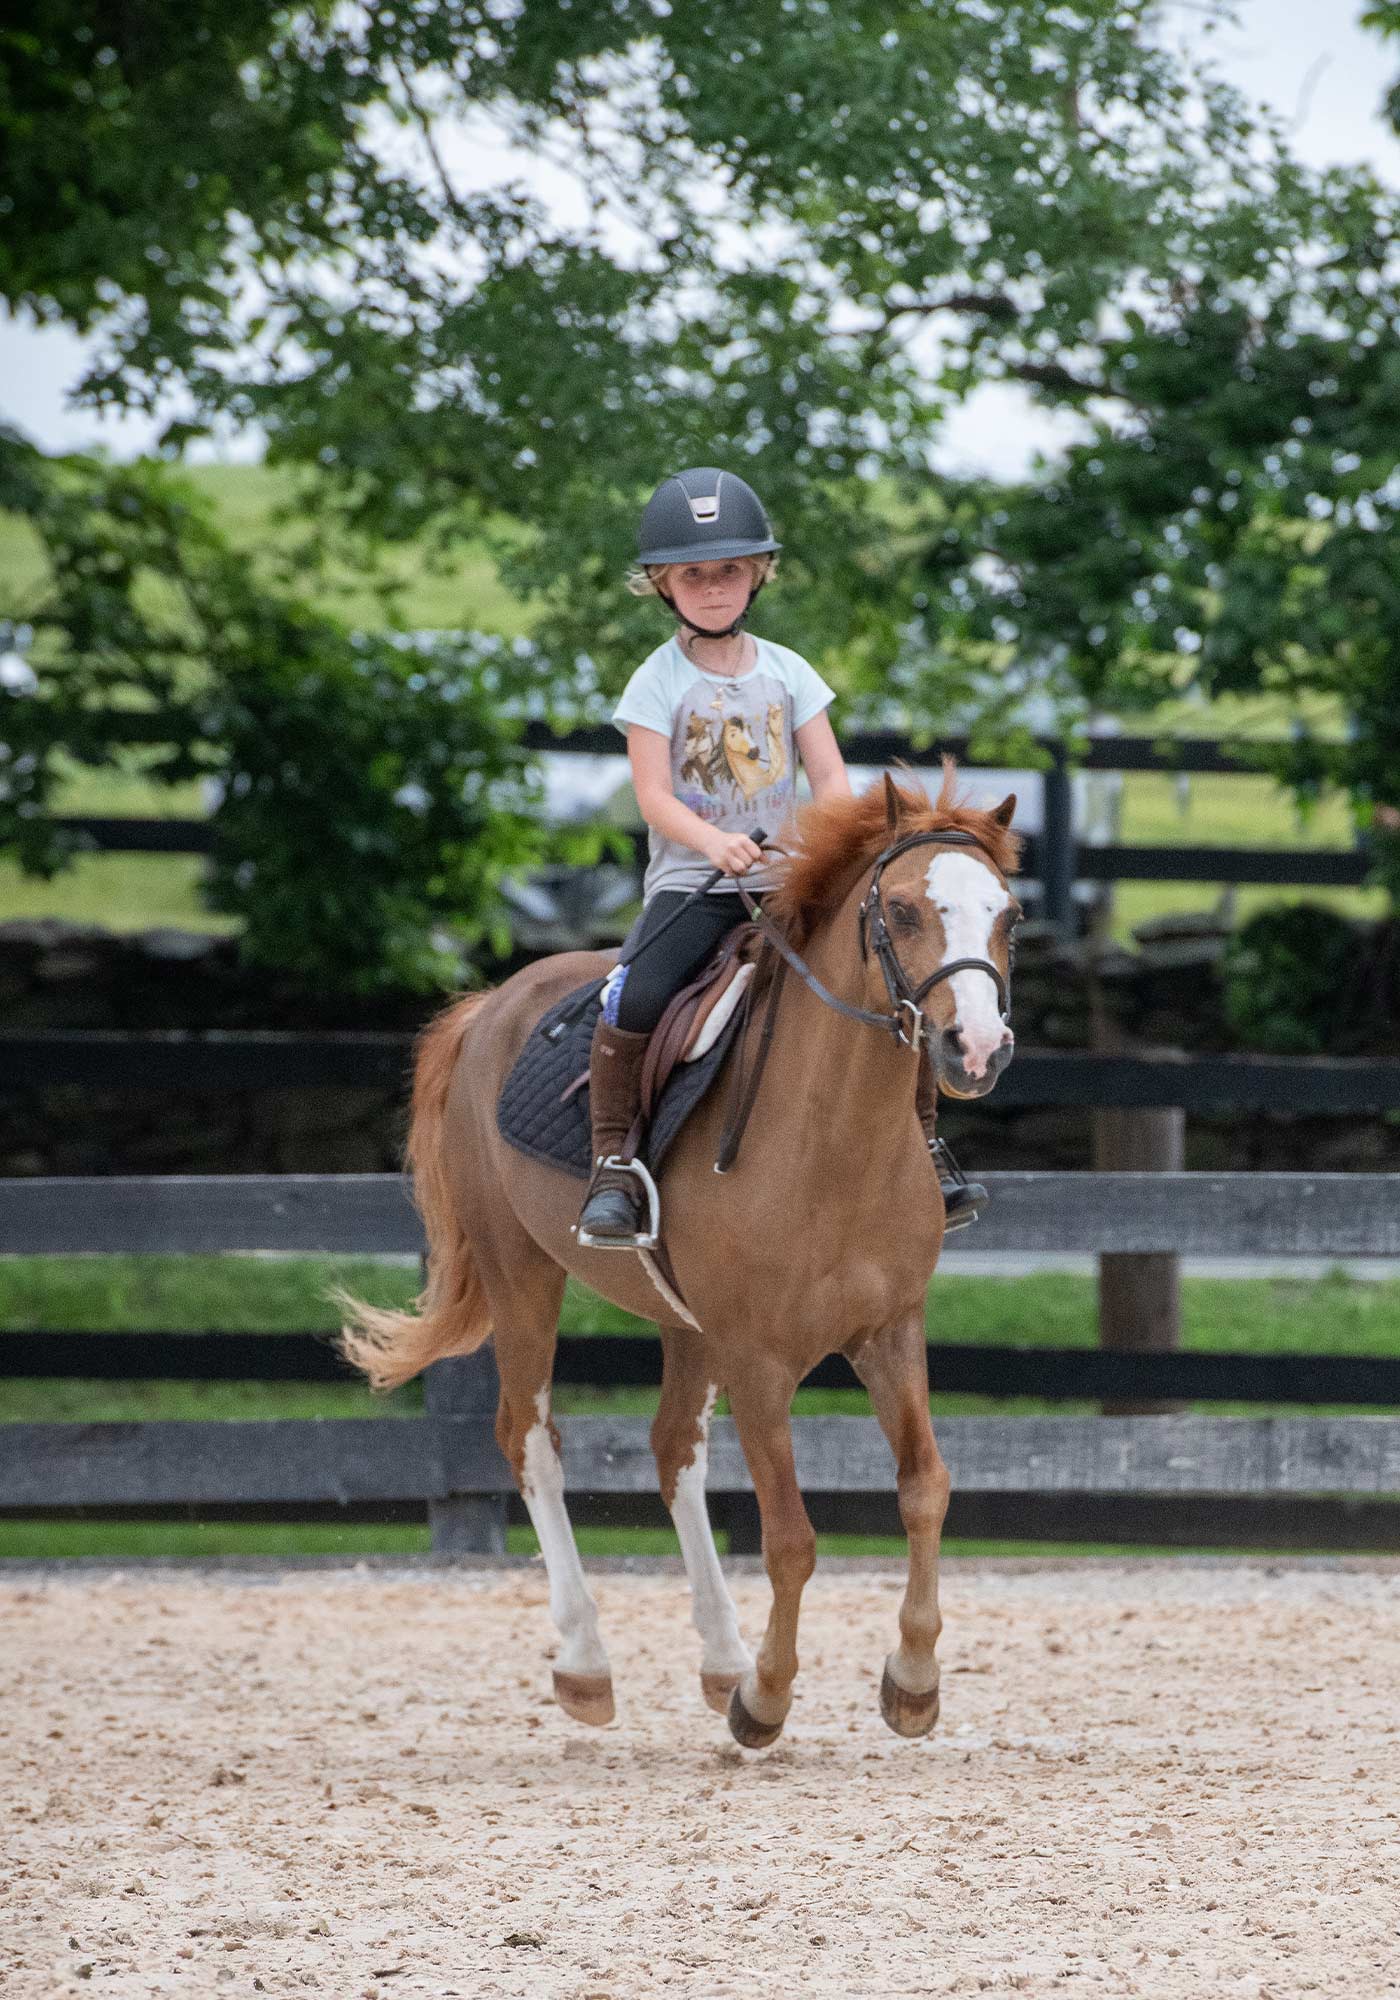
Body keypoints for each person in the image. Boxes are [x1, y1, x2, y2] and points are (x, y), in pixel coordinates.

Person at [576, 465, 983, 1248]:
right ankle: (614, 1166)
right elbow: (654, 796)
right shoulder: (656, 681)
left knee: (894, 975)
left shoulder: (790, 671)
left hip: (791, 878)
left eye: (729, 570)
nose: (714, 589)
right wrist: (714, 842)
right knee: (635, 996)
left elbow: (828, 778)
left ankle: (928, 1147)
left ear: (758, 573)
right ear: (662, 584)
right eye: (694, 575)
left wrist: (831, 840)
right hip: (697, 883)